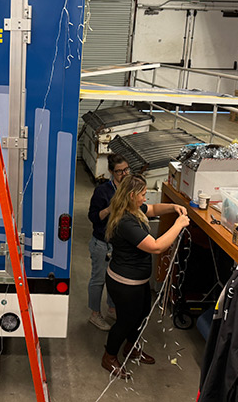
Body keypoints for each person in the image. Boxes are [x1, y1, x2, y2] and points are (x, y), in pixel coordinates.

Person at [101, 174, 189, 378]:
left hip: (137, 282)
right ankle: (109, 356)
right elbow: (156, 247)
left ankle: (131, 348)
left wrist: (173, 207)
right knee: (125, 321)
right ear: (131, 195)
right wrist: (178, 224)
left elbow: (153, 209)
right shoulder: (125, 221)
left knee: (141, 316)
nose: (145, 197)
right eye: (142, 194)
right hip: (124, 283)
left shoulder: (134, 209)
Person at [87, 153, 130, 331]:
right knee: (98, 280)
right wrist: (109, 209)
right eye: (119, 171)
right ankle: (95, 314)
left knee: (115, 280)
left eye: (126, 170)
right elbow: (93, 217)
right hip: (102, 245)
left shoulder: (129, 188)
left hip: (120, 244)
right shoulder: (103, 191)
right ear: (111, 172)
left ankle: (112, 308)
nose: (124, 174)